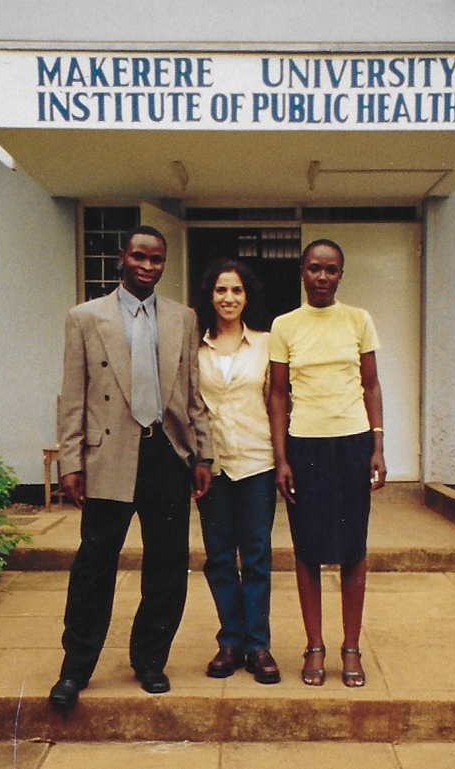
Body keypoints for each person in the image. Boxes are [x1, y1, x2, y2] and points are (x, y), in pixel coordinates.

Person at [49, 225, 212, 708]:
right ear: (123, 257)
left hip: (166, 452)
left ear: (163, 263)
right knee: (94, 566)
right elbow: (73, 396)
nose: (147, 266)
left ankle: (149, 660)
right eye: (139, 256)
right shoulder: (85, 318)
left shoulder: (182, 318)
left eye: (157, 259)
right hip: (109, 455)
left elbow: (191, 393)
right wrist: (70, 462)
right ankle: (75, 669)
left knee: (167, 566)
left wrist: (203, 454)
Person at [267, 238, 386, 688]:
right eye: (314, 268)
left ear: (341, 274)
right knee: (308, 550)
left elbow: (371, 385)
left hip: (353, 444)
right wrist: (282, 458)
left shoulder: (359, 320)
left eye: (331, 269)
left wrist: (377, 445)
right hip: (305, 446)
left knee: (354, 548)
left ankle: (350, 647)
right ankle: (314, 645)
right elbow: (278, 394)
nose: (322, 276)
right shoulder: (285, 325)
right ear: (302, 272)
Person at [194, 258, 280, 684]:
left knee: (258, 555)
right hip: (212, 467)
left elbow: (278, 402)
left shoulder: (266, 344)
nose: (228, 298)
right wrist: (197, 460)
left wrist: (285, 460)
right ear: (210, 296)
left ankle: (258, 645)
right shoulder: (195, 348)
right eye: (221, 290)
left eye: (237, 291)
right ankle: (230, 642)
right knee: (220, 557)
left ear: (247, 297)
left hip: (257, 462)